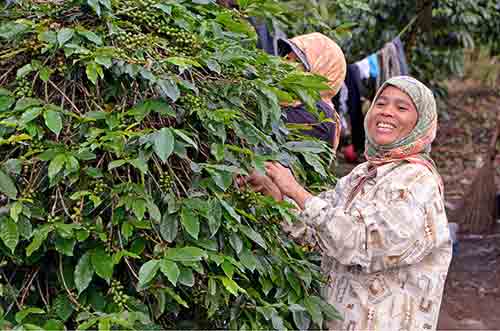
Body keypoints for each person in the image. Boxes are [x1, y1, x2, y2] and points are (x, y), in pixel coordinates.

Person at [241, 76, 452, 331]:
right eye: (381, 103)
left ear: (421, 122)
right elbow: (319, 234)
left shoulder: (418, 183)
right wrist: (274, 193)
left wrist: (297, 192)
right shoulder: (363, 174)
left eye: (401, 107)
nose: (387, 112)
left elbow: (359, 242)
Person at [277, 32, 346, 151]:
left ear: (321, 71)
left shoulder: (319, 115)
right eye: (288, 55)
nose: (285, 61)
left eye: (298, 60)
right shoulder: (289, 100)